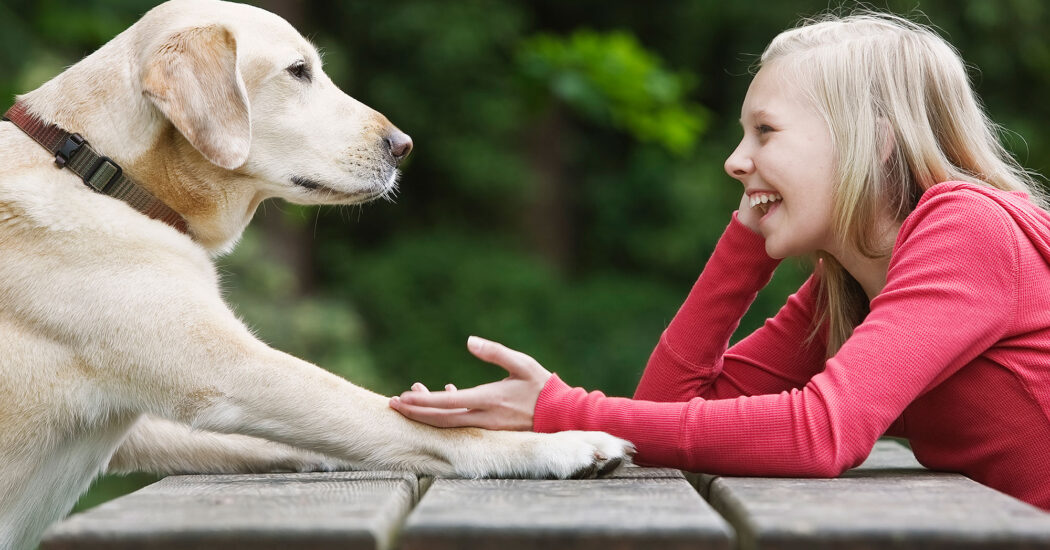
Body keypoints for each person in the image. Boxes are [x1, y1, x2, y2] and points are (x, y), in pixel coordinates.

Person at [388, 11, 1050, 510]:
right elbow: (669, 409)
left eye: (765, 131)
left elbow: (821, 434)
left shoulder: (968, 227)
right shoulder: (848, 285)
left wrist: (561, 411)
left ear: (872, 141)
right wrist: (746, 239)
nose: (735, 160)